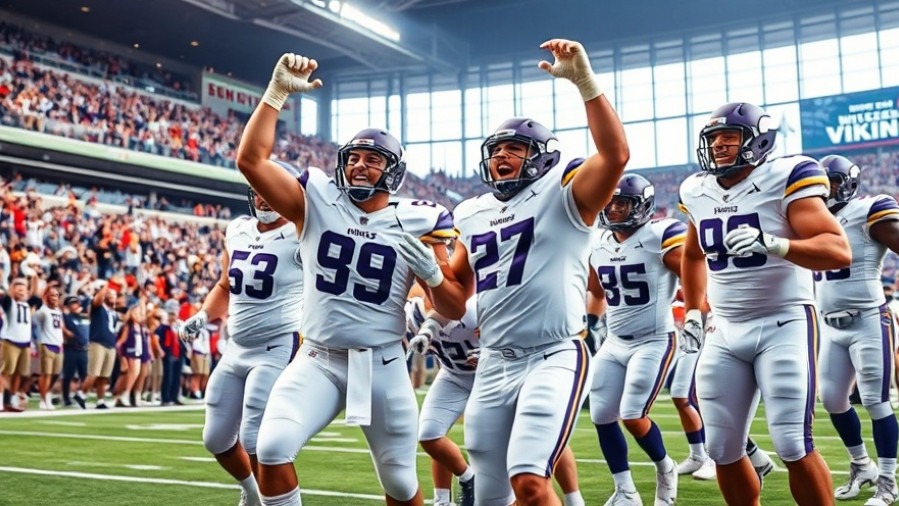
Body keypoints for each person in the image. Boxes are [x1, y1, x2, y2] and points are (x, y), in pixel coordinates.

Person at [406, 38, 629, 505]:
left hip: (553, 353)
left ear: (542, 156)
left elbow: (615, 156)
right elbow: (453, 302)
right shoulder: (472, 212)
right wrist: (431, 270)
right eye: (496, 149)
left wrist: (584, 83)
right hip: (492, 361)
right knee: (491, 496)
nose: (501, 156)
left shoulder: (564, 192)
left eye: (515, 148)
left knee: (529, 481)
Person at [235, 52, 465, 506]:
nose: (359, 165)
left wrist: (433, 274)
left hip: (382, 363)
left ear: (393, 171)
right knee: (271, 448)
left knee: (400, 483)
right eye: (353, 157)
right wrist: (276, 94)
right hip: (318, 358)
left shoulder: (421, 219)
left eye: (372, 159)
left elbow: (454, 307)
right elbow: (250, 161)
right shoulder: (316, 198)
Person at [678, 102, 850, 505]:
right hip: (724, 328)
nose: (718, 145)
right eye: (713, 138)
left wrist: (776, 244)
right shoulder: (696, 190)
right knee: (721, 447)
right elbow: (692, 254)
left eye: (729, 136)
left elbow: (838, 250)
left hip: (783, 321)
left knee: (792, 442)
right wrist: (694, 310)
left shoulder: (785, 176)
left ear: (758, 141)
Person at [178, 184, 304, 506]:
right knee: (216, 437)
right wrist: (203, 315)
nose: (264, 197)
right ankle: (252, 490)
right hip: (237, 345)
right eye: (258, 191)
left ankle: (273, 501)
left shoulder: (301, 233)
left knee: (255, 437)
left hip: (277, 344)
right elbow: (225, 285)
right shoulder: (237, 229)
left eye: (270, 190)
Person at [406, 296, 587, 506]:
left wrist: (490, 352)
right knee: (429, 434)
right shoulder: (412, 313)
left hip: (497, 375)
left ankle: (574, 498)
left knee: (544, 433)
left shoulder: (475, 307)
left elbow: (520, 335)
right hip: (453, 376)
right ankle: (456, 489)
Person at [586, 174, 686, 505]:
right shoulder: (598, 243)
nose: (613, 209)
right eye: (610, 203)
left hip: (654, 339)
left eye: (622, 203)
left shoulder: (659, 235)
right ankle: (625, 490)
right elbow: (596, 291)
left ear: (641, 206)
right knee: (601, 415)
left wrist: (699, 311)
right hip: (614, 341)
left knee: (632, 414)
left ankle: (665, 467)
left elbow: (692, 271)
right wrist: (590, 324)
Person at [814, 154, 899, 504]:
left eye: (831, 183)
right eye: (820, 184)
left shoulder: (867, 209)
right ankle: (862, 465)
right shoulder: (810, 218)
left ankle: (888, 483)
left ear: (847, 184)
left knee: (876, 401)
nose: (824, 190)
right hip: (830, 326)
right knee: (832, 400)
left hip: (869, 319)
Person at [34, 284, 64, 410]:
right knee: (46, 374)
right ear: (46, 297)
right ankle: (43, 398)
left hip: (58, 345)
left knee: (55, 374)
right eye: (52, 295)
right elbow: (35, 325)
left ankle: (47, 393)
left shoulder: (58, 311)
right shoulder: (42, 311)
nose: (55, 298)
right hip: (46, 344)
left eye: (57, 295)